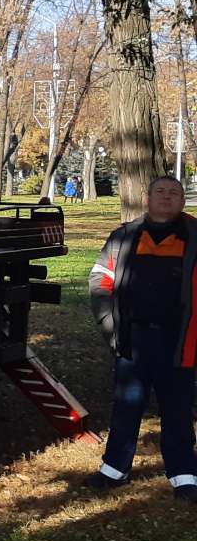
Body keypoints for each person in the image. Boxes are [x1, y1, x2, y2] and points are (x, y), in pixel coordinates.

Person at [86, 175, 197, 500]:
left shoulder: (194, 237)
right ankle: (114, 470)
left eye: (173, 193)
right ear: (147, 198)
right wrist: (110, 325)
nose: (166, 197)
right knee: (126, 406)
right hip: (133, 340)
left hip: (179, 343)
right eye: (160, 192)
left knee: (177, 408)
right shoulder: (124, 236)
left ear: (182, 200)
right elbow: (100, 280)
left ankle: (184, 474)